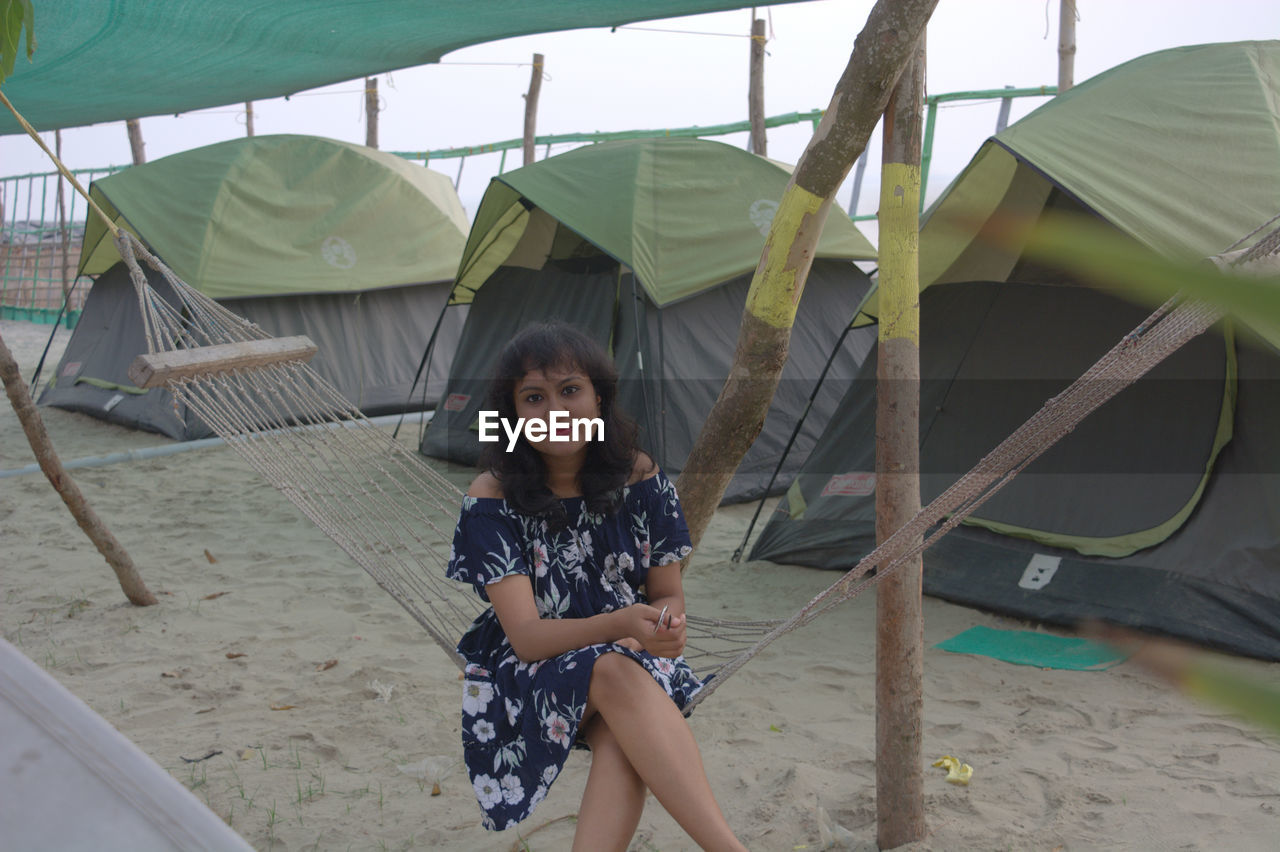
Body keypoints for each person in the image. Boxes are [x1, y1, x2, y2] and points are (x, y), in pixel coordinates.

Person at [446, 320, 748, 851]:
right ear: (512, 416)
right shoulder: (491, 499)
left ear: (600, 397)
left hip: (632, 654)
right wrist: (622, 627)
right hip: (528, 673)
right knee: (612, 670)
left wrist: (665, 626)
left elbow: (667, 593)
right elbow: (527, 638)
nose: (555, 411)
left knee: (617, 736)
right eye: (534, 397)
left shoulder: (640, 478)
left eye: (570, 390)